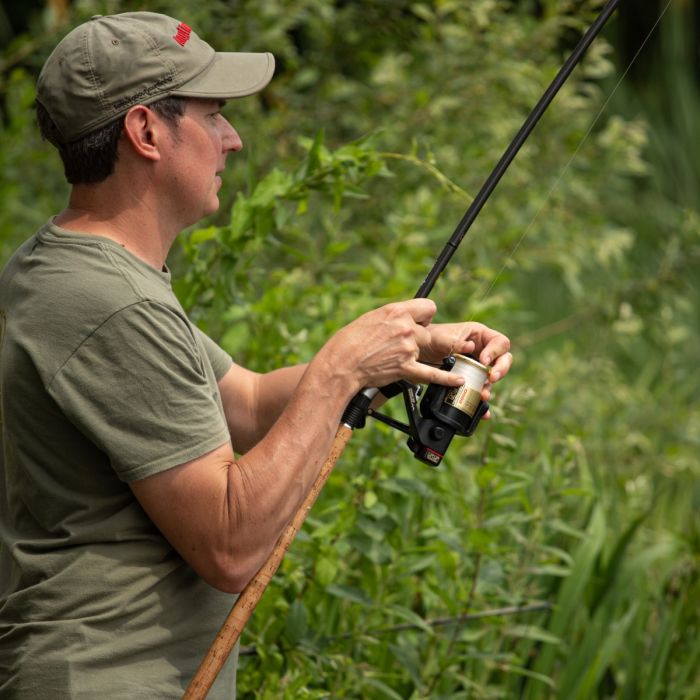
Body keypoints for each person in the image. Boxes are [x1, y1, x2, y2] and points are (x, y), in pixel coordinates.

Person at [0, 11, 512, 699]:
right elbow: (230, 545)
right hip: (108, 679)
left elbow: (245, 402)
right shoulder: (110, 305)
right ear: (146, 132)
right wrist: (341, 369)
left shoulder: (74, 269)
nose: (233, 138)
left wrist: (402, 356)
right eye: (213, 115)